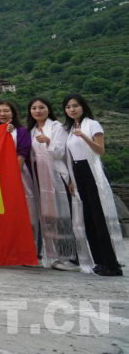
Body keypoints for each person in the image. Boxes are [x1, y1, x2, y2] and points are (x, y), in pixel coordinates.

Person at [62, 94, 125, 276]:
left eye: (75, 106)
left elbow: (100, 150)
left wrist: (84, 137)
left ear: (83, 106)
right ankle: (99, 262)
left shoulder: (92, 125)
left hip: (92, 172)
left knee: (99, 218)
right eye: (68, 107)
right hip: (78, 172)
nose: (72, 109)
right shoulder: (71, 128)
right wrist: (72, 180)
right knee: (88, 218)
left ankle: (112, 264)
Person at [27, 97, 76, 271]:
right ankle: (53, 257)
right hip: (40, 179)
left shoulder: (57, 127)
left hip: (57, 176)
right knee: (47, 217)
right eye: (34, 108)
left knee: (62, 216)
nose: (38, 111)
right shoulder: (32, 130)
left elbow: (62, 152)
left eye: (41, 107)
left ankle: (68, 257)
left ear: (48, 109)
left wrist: (48, 141)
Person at [0, 99, 37, 256]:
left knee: (26, 210)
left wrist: (13, 174)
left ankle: (30, 250)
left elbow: (22, 153)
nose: (2, 114)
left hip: (19, 175)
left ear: (13, 113)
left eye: (6, 111)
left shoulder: (21, 131)